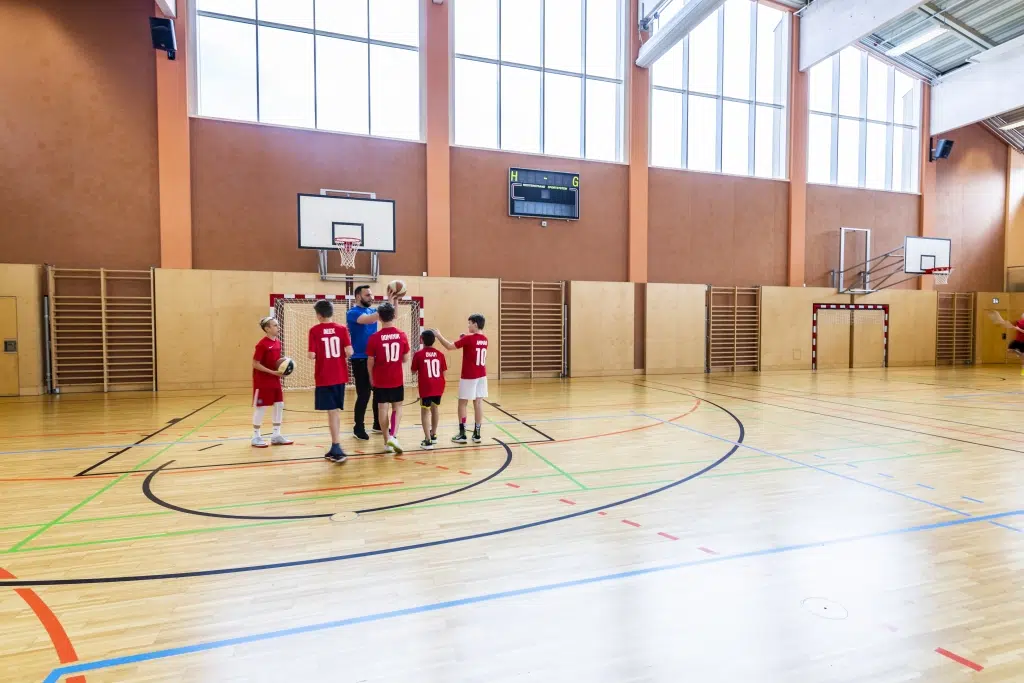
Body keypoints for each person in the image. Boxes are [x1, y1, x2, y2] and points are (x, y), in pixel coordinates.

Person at [346, 285, 396, 440]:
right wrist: (387, 303)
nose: (371, 297)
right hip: (359, 358)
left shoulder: (372, 311)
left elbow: (390, 316)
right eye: (367, 295)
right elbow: (369, 319)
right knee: (364, 394)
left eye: (372, 294)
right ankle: (358, 428)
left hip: (375, 357)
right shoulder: (353, 313)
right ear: (358, 297)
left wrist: (394, 302)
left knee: (378, 392)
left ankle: (377, 424)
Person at [308, 299, 354, 463]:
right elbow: (350, 352)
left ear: (319, 315)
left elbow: (311, 355)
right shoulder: (342, 329)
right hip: (340, 376)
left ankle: (336, 447)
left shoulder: (314, 330)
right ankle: (335, 446)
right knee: (334, 411)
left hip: (324, 376)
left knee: (332, 411)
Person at [433, 314, 488, 444]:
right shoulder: (484, 339)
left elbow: (449, 346)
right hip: (482, 375)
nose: (468, 326)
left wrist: (438, 335)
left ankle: (462, 434)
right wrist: (464, 338)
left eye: (469, 323)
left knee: (462, 403)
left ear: (475, 324)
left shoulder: (469, 339)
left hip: (469, 376)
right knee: (478, 403)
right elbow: (472, 346)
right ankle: (477, 434)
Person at [365, 303, 410, 453]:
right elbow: (405, 359)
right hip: (396, 378)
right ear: (393, 316)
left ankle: (386, 441)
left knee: (382, 409)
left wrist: (371, 378)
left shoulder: (374, 338)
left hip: (380, 379)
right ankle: (393, 436)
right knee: (397, 407)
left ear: (379, 317)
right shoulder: (401, 335)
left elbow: (370, 361)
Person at [251, 316, 293, 448]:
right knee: (261, 407)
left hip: (275, 379)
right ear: (267, 329)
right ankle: (256, 437)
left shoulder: (277, 342)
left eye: (277, 325)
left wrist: (284, 364)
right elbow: (255, 364)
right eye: (275, 325)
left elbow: (276, 360)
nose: (278, 327)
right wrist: (272, 372)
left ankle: (276, 435)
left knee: (279, 405)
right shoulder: (261, 344)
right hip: (262, 380)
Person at [411, 330, 447, 450]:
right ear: (434, 340)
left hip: (426, 387)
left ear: (422, 340)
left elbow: (413, 371)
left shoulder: (419, 354)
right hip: (439, 385)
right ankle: (433, 434)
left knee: (425, 412)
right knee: (435, 408)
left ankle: (427, 440)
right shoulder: (440, 354)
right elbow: (444, 372)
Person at [989, 310, 1024, 375]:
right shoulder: (1019, 322)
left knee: (1023, 359)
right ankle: (1020, 354)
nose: (1022, 316)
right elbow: (1009, 323)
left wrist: (1018, 329)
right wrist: (1001, 321)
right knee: (1009, 350)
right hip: (1017, 340)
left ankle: (1023, 371)